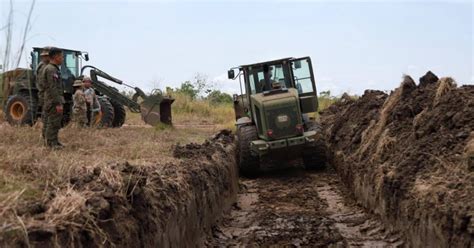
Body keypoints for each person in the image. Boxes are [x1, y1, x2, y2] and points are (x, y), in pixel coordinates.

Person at [43, 47, 65, 149]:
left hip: (52, 100)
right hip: (53, 101)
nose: (62, 59)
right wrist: (58, 103)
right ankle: (51, 144)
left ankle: (54, 141)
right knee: (53, 122)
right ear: (56, 57)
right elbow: (53, 88)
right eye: (61, 56)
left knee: (54, 122)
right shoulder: (51, 69)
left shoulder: (53, 68)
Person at [36, 46, 50, 141]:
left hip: (47, 95)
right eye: (46, 56)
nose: (47, 57)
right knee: (47, 117)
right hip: (46, 95)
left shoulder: (47, 66)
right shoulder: (43, 67)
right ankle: (45, 137)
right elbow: (43, 84)